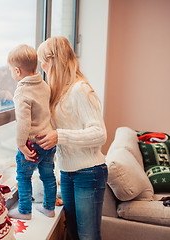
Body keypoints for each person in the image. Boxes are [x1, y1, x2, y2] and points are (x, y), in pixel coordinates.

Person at [36, 36, 108, 240]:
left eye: (44, 62)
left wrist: (60, 136)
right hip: (67, 172)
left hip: (89, 173)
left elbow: (100, 133)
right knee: (73, 234)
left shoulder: (80, 89)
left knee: (88, 237)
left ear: (53, 61)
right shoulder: (59, 92)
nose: (42, 67)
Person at [6, 44, 57, 220]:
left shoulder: (21, 92)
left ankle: (24, 210)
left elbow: (23, 122)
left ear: (17, 71)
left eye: (11, 70)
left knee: (24, 177)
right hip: (48, 142)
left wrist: (20, 144)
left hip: (32, 145)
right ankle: (49, 208)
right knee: (48, 176)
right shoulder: (44, 85)